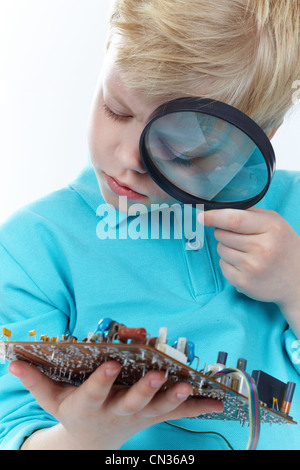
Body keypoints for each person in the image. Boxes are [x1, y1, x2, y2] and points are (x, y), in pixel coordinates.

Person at [1, 0, 300, 451]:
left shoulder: (293, 213)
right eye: (116, 109)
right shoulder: (34, 248)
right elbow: (12, 431)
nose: (128, 160)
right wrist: (83, 438)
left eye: (183, 151)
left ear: (262, 137)